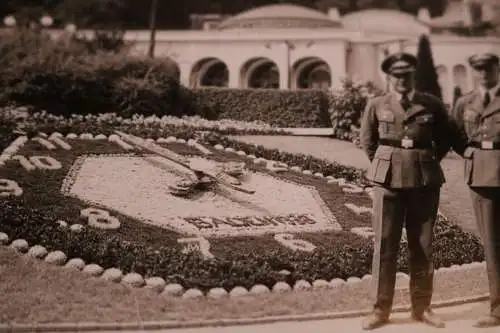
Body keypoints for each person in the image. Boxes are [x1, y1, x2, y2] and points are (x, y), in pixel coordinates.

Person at [360, 52, 452, 330]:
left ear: (413, 76)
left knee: (422, 247)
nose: (402, 80)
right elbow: (368, 141)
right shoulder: (376, 104)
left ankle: (422, 307)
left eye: (407, 75)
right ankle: (380, 309)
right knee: (385, 246)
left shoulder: (431, 104)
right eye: (397, 75)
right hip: (387, 182)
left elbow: (444, 140)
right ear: (389, 77)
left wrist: (422, 161)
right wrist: (388, 162)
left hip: (423, 182)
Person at [449, 52, 500, 328]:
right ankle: (497, 310)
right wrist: (468, 151)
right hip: (481, 175)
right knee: (492, 245)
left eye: (488, 68)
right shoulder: (464, 102)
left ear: (497, 69)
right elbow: (454, 133)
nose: (483, 74)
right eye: (478, 69)